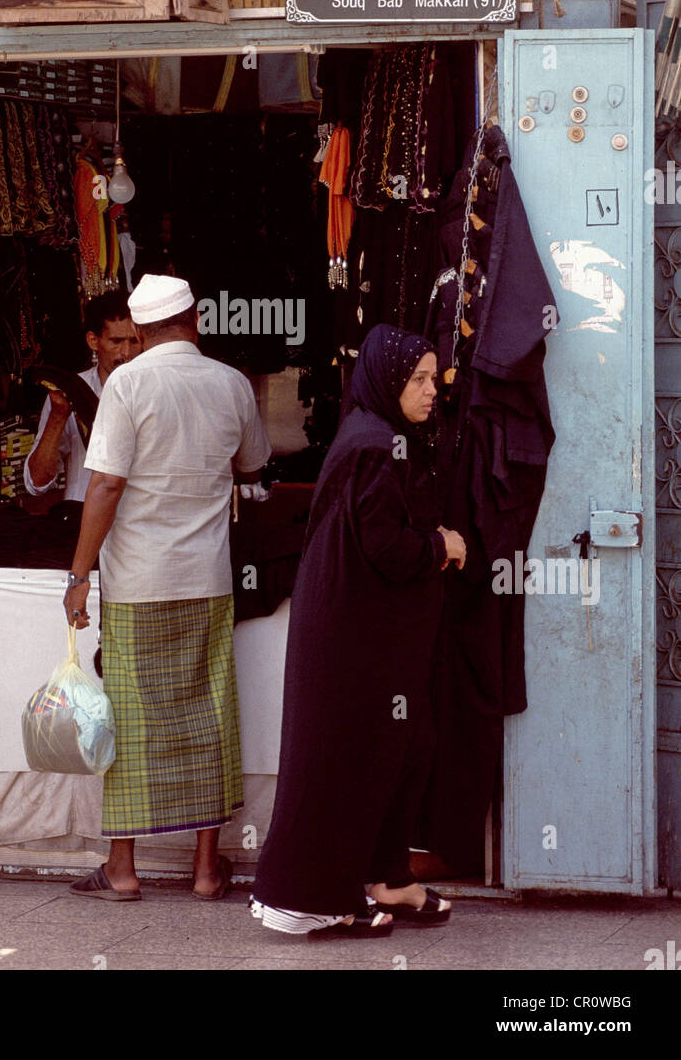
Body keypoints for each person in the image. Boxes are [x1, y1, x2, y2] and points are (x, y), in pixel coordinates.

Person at [250, 324, 466, 936]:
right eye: (418, 379)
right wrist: (441, 545)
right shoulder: (376, 446)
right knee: (340, 761)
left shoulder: (381, 436)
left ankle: (388, 880)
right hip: (350, 645)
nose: (431, 390)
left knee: (397, 752)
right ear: (388, 380)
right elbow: (385, 547)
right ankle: (305, 899)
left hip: (367, 639)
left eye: (432, 377)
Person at [63, 273, 271, 901]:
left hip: (138, 584)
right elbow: (254, 467)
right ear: (196, 319)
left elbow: (104, 486)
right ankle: (207, 871)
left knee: (131, 722)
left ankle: (122, 869)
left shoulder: (126, 383)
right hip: (205, 580)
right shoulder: (232, 384)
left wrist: (78, 576)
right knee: (206, 715)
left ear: (142, 330)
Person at [24, 290, 138, 503]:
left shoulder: (155, 389)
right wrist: (58, 417)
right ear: (94, 341)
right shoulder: (71, 392)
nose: (126, 353)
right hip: (85, 524)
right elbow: (37, 483)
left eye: (134, 341)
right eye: (116, 341)